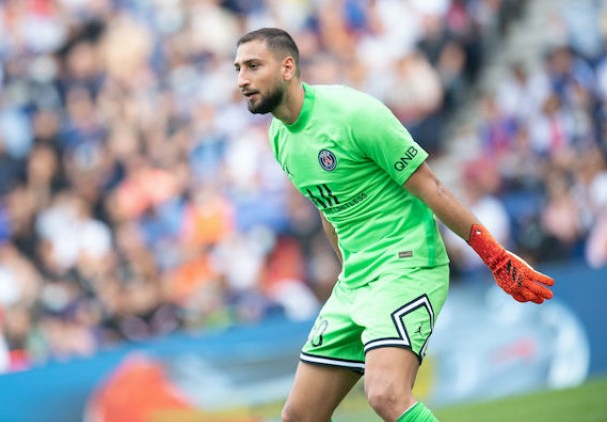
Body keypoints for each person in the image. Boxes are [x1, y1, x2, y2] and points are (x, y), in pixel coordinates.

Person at [233, 28, 555, 422]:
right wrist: (347, 273)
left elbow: (431, 187)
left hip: (407, 264)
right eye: (238, 69)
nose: (241, 80)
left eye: (252, 66)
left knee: (386, 394)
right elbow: (327, 209)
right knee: (298, 416)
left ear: (287, 67)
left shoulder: (352, 113)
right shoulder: (279, 138)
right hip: (356, 281)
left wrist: (494, 256)